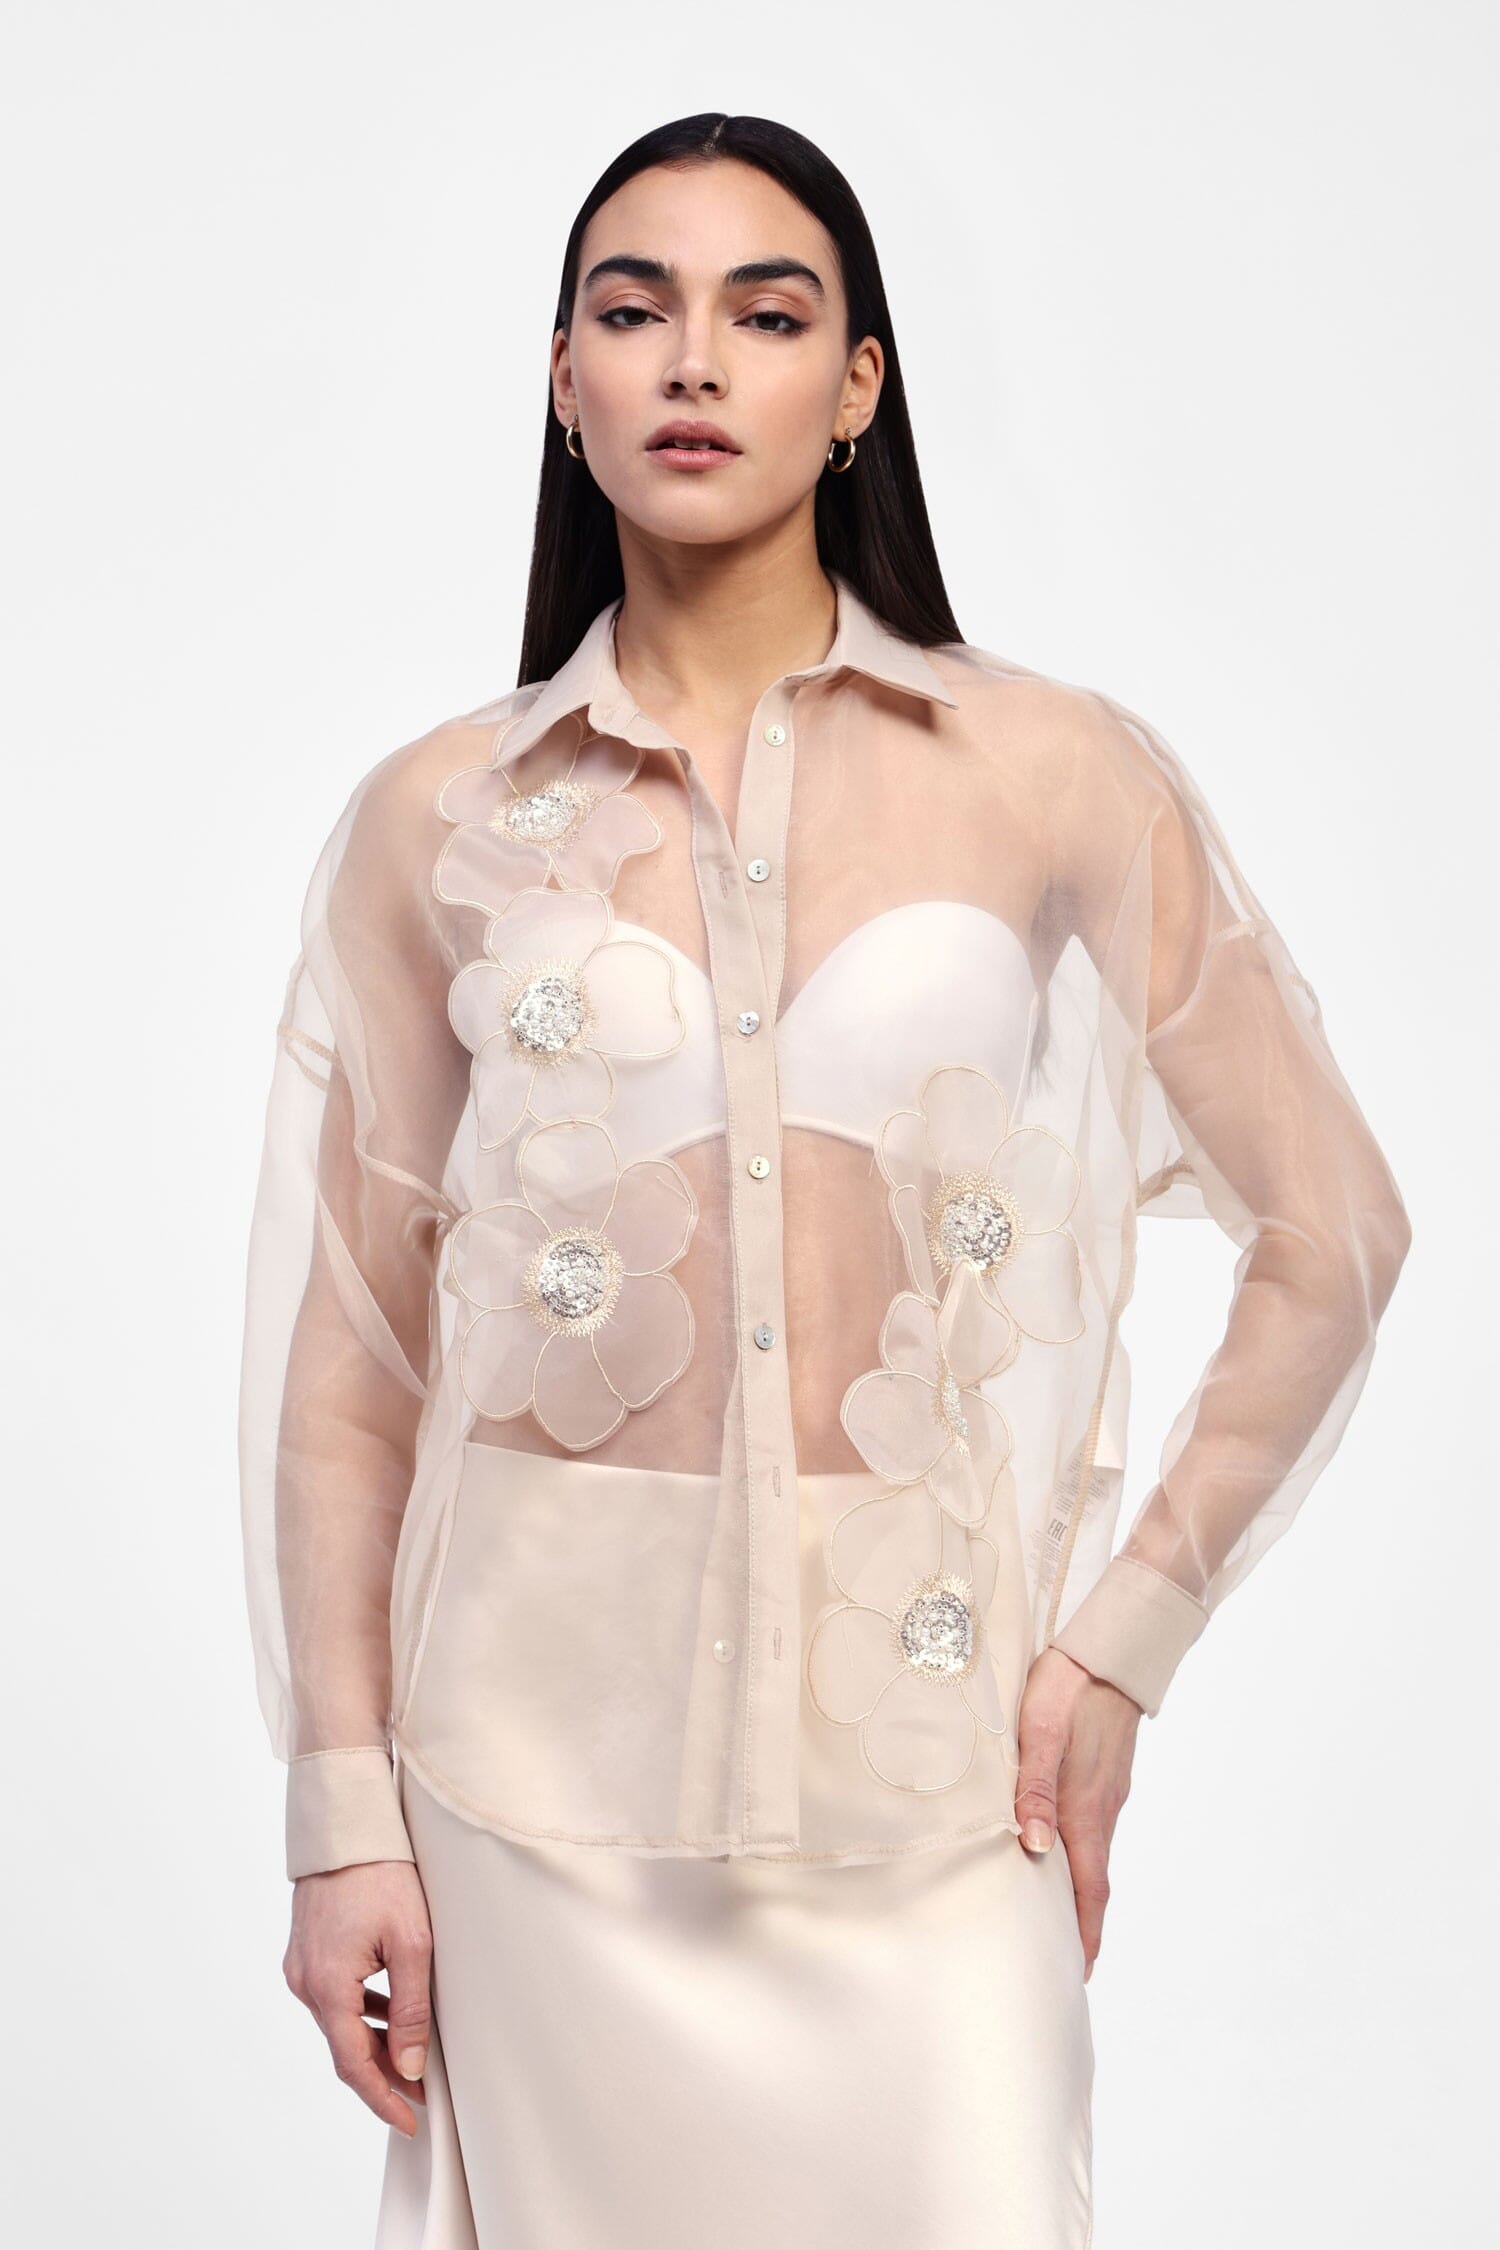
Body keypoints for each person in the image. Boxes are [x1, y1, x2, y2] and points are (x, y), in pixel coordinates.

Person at [238, 111, 1412, 2250]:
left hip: (933, 1779)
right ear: (564, 379)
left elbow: (1333, 1235)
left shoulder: (1050, 767)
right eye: (635, 310)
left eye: (766, 315)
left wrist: (1118, 1648)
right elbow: (350, 1370)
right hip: (530, 1794)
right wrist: (342, 1816)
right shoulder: (438, 816)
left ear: (858, 384)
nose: (695, 360)